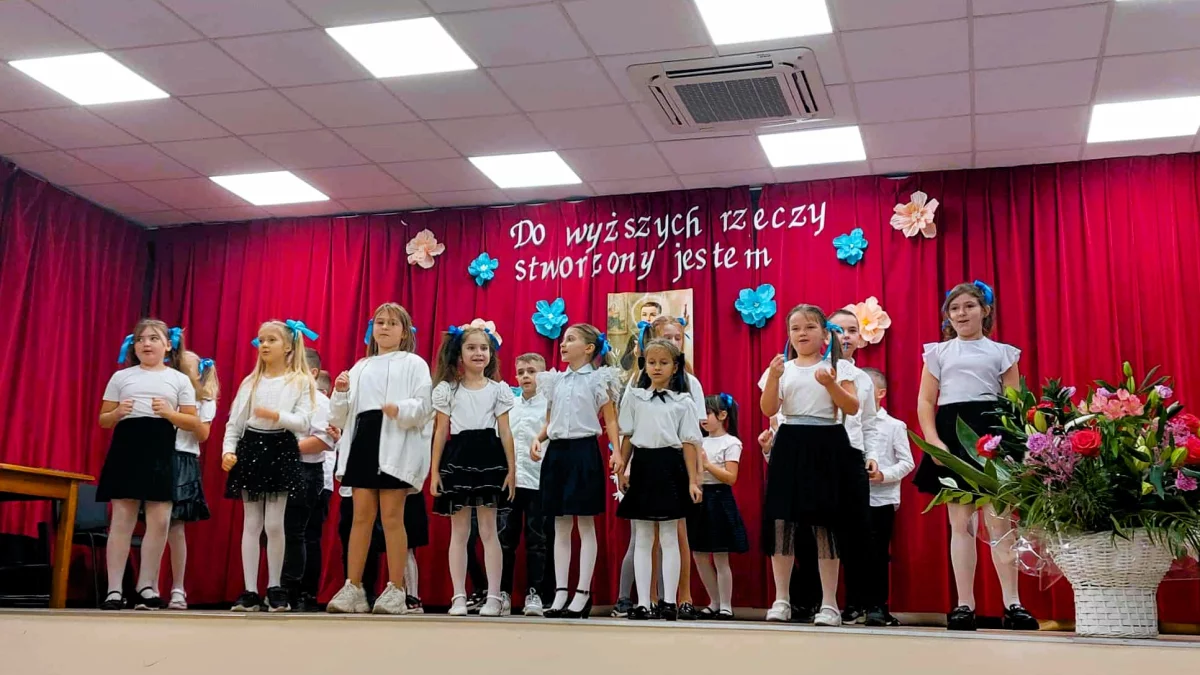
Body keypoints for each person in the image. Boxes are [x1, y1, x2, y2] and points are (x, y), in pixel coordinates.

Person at [912, 281, 1038, 631]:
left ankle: (1013, 603)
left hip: (992, 435)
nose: (961, 313)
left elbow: (1014, 403)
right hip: (952, 435)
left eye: (969, 306)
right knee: (961, 525)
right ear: (947, 316)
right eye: (954, 308)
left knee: (1000, 524)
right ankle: (964, 604)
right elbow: (926, 400)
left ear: (985, 311)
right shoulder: (938, 353)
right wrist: (933, 441)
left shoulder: (1003, 353)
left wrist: (1015, 447)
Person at [758, 304, 865, 626]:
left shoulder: (838, 367)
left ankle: (829, 604)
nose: (802, 333)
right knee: (782, 522)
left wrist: (830, 384)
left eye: (809, 327)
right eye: (795, 328)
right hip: (790, 441)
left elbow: (852, 407)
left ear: (825, 334)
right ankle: (781, 600)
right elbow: (768, 408)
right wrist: (774, 377)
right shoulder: (782, 368)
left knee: (826, 524)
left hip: (827, 442)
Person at [327, 303, 432, 614]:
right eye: (380, 322)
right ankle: (353, 587)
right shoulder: (360, 366)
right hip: (364, 440)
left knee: (392, 517)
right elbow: (339, 417)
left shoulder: (414, 364)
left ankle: (396, 589)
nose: (384, 327)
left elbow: (423, 406)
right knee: (360, 517)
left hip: (395, 443)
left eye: (392, 323)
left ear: (404, 333)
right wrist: (340, 393)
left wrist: (401, 409)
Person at [97, 320, 199, 610]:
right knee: (122, 519)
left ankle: (146, 585)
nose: (146, 343)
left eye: (154, 338)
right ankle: (114, 589)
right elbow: (103, 420)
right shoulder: (121, 377)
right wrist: (117, 412)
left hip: (161, 448)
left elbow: (192, 422)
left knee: (160, 519)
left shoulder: (178, 380)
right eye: (140, 339)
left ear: (168, 345)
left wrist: (169, 413)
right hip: (127, 446)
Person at [221, 320, 317, 612]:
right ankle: (250, 590)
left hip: (281, 448)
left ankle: (275, 587)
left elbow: (304, 422)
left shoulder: (301, 381)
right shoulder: (250, 382)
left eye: (271, 340)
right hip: (252, 447)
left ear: (288, 346)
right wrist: (228, 450)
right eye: (261, 340)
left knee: (275, 523)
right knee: (252, 523)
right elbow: (235, 422)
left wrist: (277, 415)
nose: (264, 345)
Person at [531, 323, 622, 619]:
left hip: (584, 452)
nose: (563, 344)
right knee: (559, 523)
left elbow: (611, 420)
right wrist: (538, 438)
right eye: (563, 339)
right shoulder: (554, 381)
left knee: (584, 522)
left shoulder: (598, 380)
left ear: (588, 348)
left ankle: (582, 592)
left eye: (570, 339)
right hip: (557, 453)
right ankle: (561, 591)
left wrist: (618, 452)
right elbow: (550, 421)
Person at [617, 315, 705, 619]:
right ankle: (644, 601)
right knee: (643, 537)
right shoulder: (635, 398)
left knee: (670, 536)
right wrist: (621, 469)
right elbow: (627, 436)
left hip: (671, 467)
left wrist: (693, 480)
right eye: (651, 362)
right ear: (644, 365)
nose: (656, 367)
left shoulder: (684, 402)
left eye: (663, 362)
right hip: (643, 466)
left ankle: (669, 600)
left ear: (675, 366)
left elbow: (690, 443)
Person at [430, 323, 516, 617]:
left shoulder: (498, 390)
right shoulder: (447, 390)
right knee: (459, 531)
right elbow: (441, 431)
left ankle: (494, 596)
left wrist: (512, 470)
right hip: (458, 459)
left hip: (489, 458)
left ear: (491, 353)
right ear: (459, 354)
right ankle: (458, 596)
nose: (479, 353)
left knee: (489, 530)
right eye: (471, 348)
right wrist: (435, 471)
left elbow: (506, 432)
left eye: (484, 348)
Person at [858, 367, 914, 627]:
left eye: (866, 387)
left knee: (877, 553)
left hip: (881, 499)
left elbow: (907, 462)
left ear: (880, 393)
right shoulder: (847, 423)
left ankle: (877, 606)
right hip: (851, 498)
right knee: (851, 553)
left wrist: (883, 475)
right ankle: (853, 605)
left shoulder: (894, 426)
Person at [164, 350, 218, 610]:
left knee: (175, 527)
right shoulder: (163, 390)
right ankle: (147, 585)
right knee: (152, 525)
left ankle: (178, 588)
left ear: (198, 374)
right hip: (156, 457)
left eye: (187, 369)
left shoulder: (204, 400)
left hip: (183, 460)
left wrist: (177, 415)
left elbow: (203, 434)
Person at [281, 354, 335, 612]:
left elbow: (323, 440)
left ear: (313, 372)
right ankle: (280, 587)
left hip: (311, 473)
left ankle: (302, 592)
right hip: (282, 470)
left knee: (303, 534)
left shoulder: (320, 402)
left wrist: (282, 450)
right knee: (279, 531)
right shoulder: (284, 398)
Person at [687, 393, 748, 619]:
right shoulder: (697, 441)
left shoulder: (731, 442)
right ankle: (714, 601)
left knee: (721, 556)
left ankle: (726, 606)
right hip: (699, 499)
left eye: (708, 413)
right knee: (699, 555)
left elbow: (731, 477)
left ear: (722, 415)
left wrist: (707, 465)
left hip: (720, 499)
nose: (703, 418)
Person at [500, 353, 550, 616]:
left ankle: (535, 594)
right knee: (505, 540)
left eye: (532, 371)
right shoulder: (510, 406)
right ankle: (503, 594)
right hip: (511, 483)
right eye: (521, 372)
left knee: (537, 540)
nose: (526, 376)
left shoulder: (549, 407)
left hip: (538, 482)